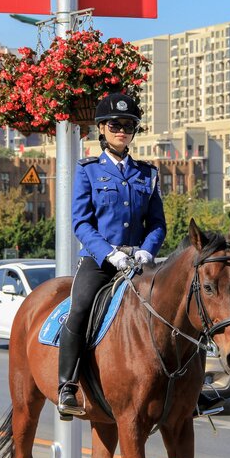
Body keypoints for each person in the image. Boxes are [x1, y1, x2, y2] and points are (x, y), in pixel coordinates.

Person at [57, 93, 166, 418]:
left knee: (177, 310)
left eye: (128, 126)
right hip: (101, 261)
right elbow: (81, 222)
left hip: (140, 263)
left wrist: (147, 250)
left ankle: (191, 388)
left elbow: (157, 223)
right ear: (101, 129)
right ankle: (68, 385)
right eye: (115, 125)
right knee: (80, 308)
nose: (122, 131)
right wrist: (109, 254)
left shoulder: (147, 173)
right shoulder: (88, 170)